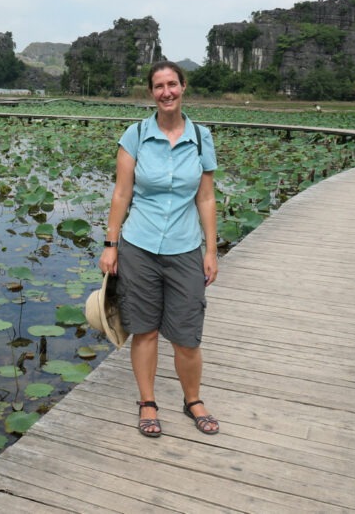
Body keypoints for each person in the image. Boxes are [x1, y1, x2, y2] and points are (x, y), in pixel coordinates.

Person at [99, 60, 220, 438]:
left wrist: (211, 250)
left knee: (187, 335)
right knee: (145, 331)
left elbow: (205, 198)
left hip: (185, 248)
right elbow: (122, 193)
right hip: (139, 244)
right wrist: (111, 244)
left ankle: (192, 400)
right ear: (151, 93)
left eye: (172, 84)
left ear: (183, 88)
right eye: (158, 86)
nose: (166, 92)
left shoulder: (201, 137)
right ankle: (148, 402)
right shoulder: (135, 135)